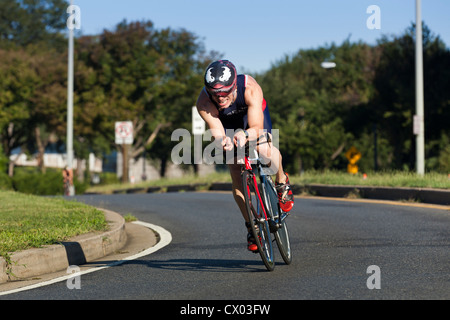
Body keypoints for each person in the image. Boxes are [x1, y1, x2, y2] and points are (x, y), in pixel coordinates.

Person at [196, 60, 294, 252]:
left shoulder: (250, 88)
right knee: (235, 166)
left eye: (225, 93)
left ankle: (281, 181)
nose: (220, 98)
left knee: (265, 150)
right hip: (226, 122)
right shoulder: (204, 102)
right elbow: (217, 131)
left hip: (252, 117)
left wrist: (246, 134)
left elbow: (257, 127)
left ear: (234, 87)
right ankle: (252, 224)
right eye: (215, 94)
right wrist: (224, 141)